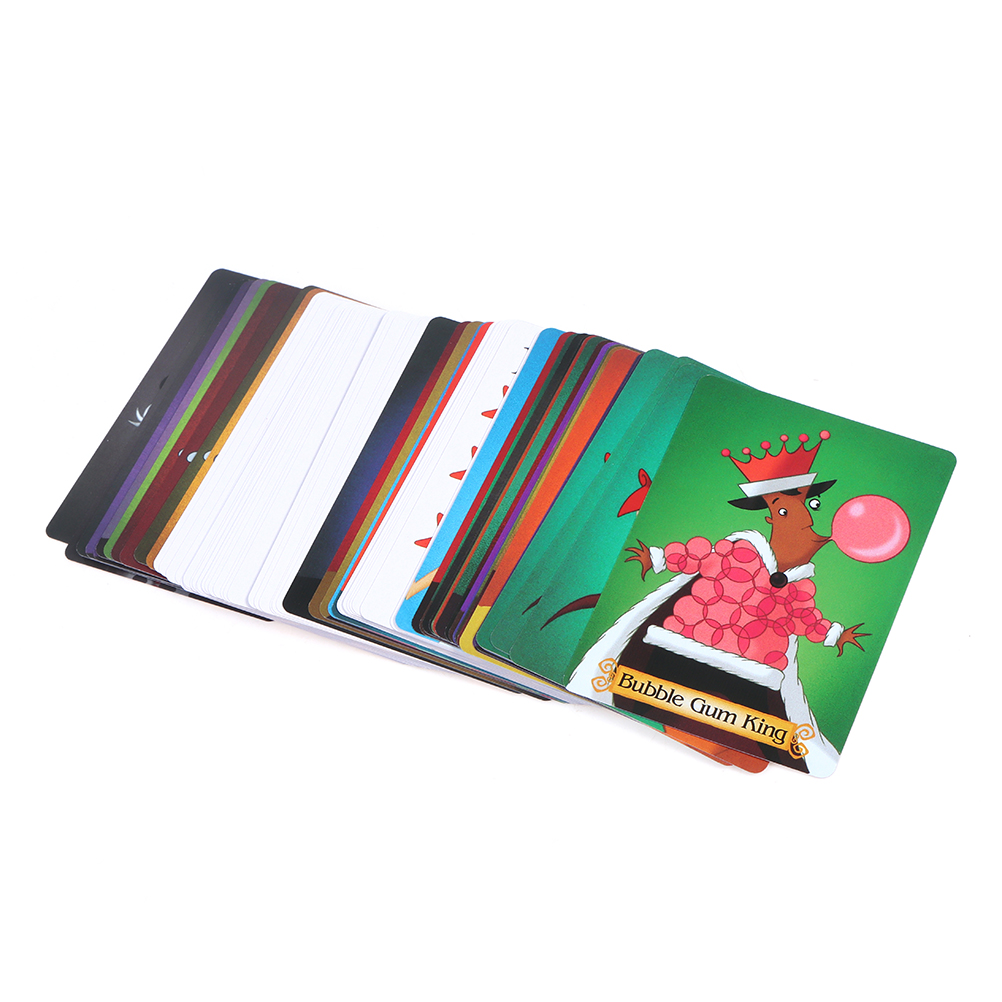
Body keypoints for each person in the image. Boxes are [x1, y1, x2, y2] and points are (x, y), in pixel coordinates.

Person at [570, 431, 866, 776]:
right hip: (680, 648)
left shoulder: (798, 587)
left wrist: (834, 635)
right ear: (771, 517)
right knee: (669, 709)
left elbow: (804, 619)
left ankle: (730, 742)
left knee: (733, 730)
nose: (807, 520)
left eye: (810, 506)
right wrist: (660, 557)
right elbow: (699, 557)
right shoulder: (740, 551)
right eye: (786, 509)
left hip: (753, 673)